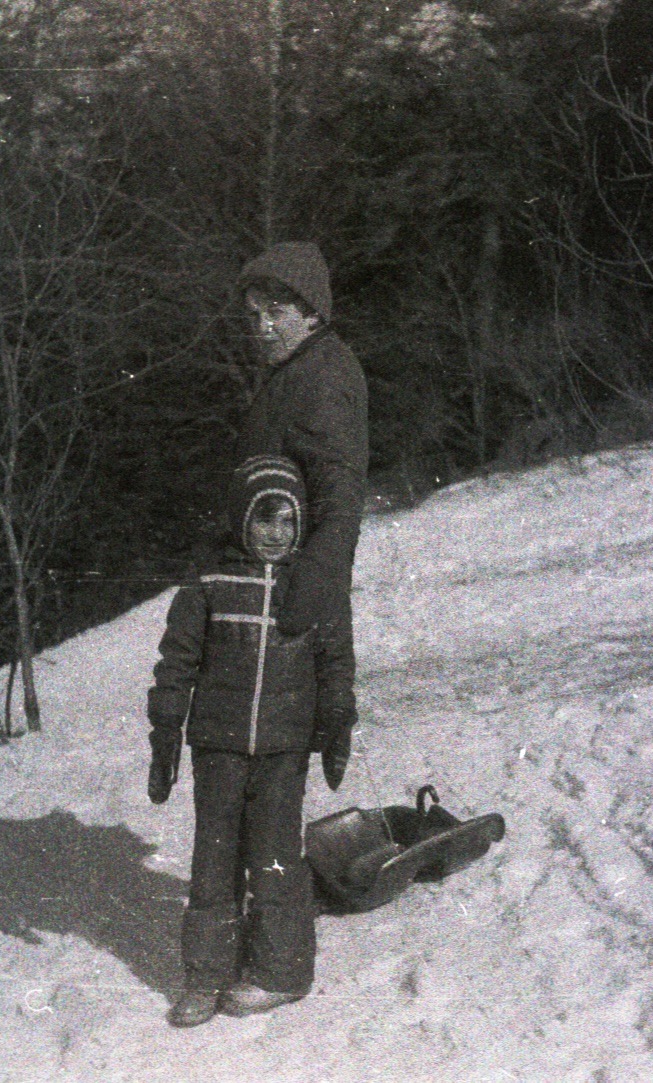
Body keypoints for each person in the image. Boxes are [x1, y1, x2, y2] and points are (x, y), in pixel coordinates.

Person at [147, 455, 354, 1027]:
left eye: (287, 522)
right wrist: (166, 731)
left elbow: (336, 661)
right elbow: (177, 659)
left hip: (284, 749)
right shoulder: (211, 579)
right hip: (218, 745)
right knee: (214, 860)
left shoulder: (312, 584)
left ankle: (282, 971)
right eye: (264, 520)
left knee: (276, 857)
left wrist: (338, 720)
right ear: (242, 519)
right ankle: (206, 976)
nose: (275, 534)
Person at [233, 241, 369, 805]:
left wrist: (302, 604)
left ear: (312, 313)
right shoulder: (293, 372)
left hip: (296, 593)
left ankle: (275, 877)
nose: (262, 329)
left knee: (276, 754)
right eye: (254, 316)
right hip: (275, 577)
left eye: (276, 314)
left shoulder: (323, 375)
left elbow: (338, 504)